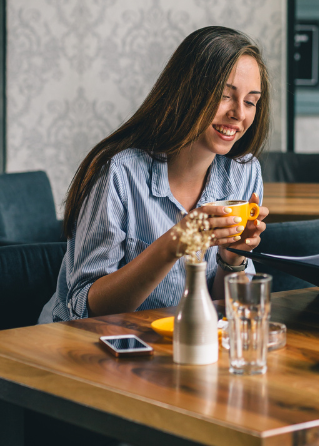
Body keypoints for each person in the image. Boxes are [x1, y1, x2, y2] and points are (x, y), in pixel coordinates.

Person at [40, 25, 270, 323]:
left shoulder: (245, 173)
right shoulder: (118, 173)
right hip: (86, 350)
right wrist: (175, 243)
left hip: (172, 350)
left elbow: (225, 315)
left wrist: (233, 258)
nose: (239, 113)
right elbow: (88, 307)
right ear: (188, 93)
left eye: (251, 101)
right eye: (225, 96)